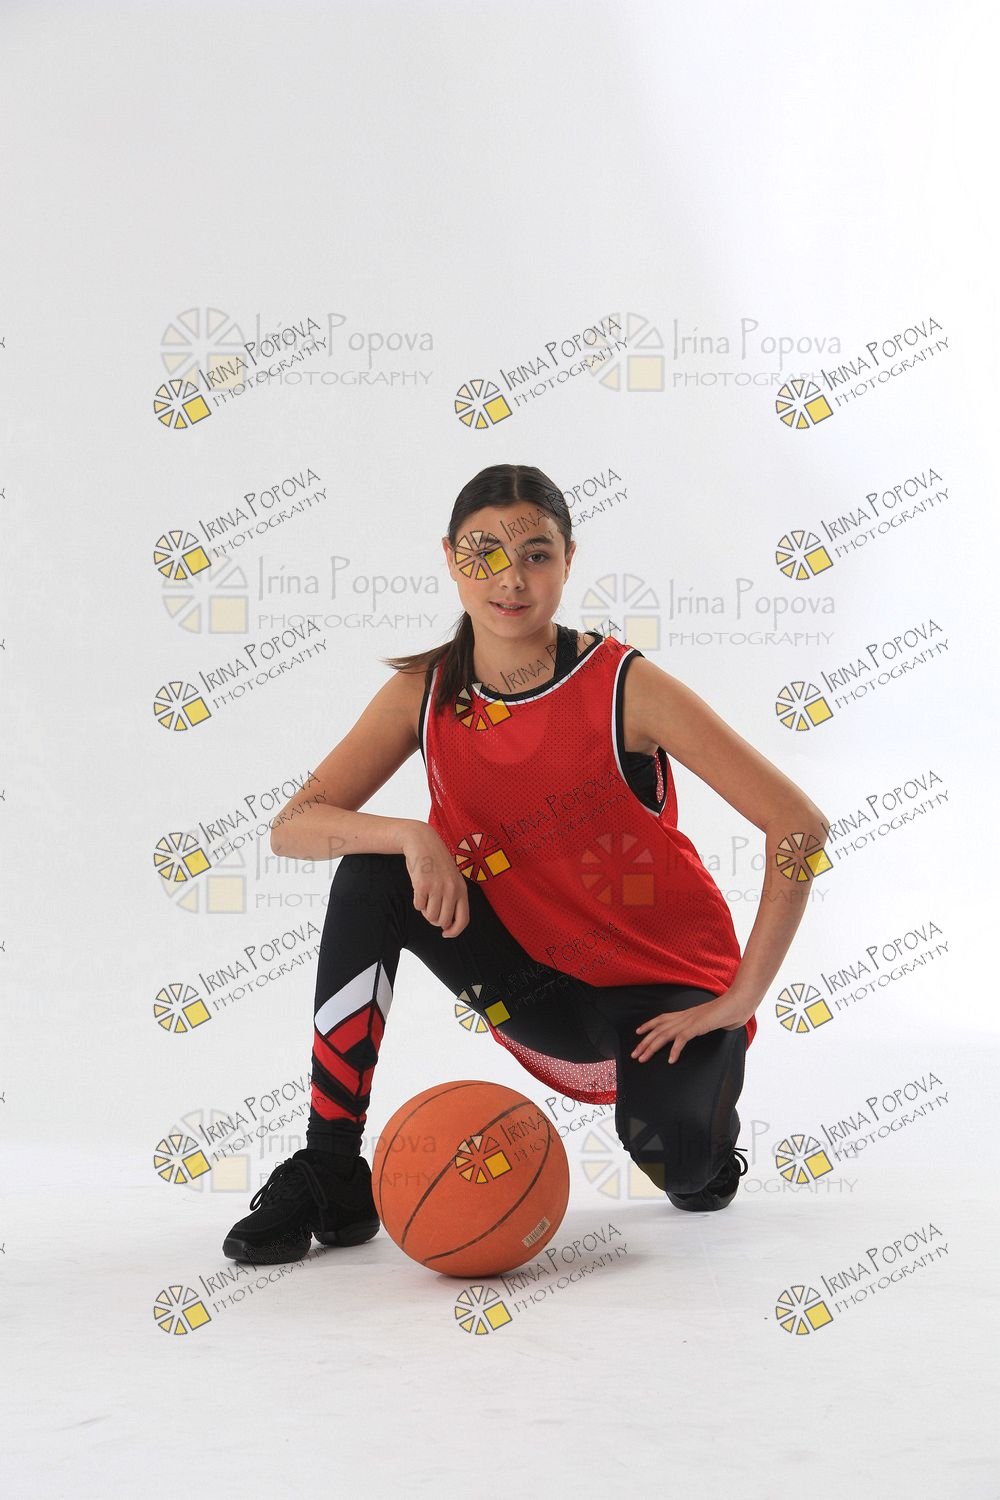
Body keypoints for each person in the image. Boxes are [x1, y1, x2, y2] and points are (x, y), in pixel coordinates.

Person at [223, 463, 830, 1265]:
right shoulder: (423, 693)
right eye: (484, 554)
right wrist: (411, 836)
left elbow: (797, 824)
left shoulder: (624, 686)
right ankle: (330, 1167)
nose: (510, 579)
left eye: (536, 555)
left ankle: (707, 1147)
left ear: (568, 561)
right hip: (535, 984)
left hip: (664, 992)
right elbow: (292, 827)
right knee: (371, 870)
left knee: (681, 1165)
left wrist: (742, 998)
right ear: (450, 559)